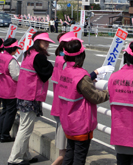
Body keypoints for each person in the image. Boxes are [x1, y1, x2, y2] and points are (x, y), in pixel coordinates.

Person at [51, 32, 114, 165]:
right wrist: (110, 92)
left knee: (70, 153)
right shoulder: (81, 76)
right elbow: (95, 96)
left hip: (68, 121)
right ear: (81, 56)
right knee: (79, 158)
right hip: (80, 124)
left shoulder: (65, 72)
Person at [8, 32, 55, 165]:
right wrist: (52, 65)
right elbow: (46, 73)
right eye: (44, 41)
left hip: (23, 94)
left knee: (25, 126)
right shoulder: (39, 56)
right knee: (25, 128)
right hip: (30, 96)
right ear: (37, 42)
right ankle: (14, 158)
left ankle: (25, 155)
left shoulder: (28, 53)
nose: (47, 44)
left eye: (47, 42)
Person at [0, 38, 20, 143]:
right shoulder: (11, 60)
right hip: (10, 89)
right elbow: (16, 75)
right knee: (10, 112)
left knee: (4, 110)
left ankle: (1, 132)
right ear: (12, 49)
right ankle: (5, 134)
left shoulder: (1, 56)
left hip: (2, 87)